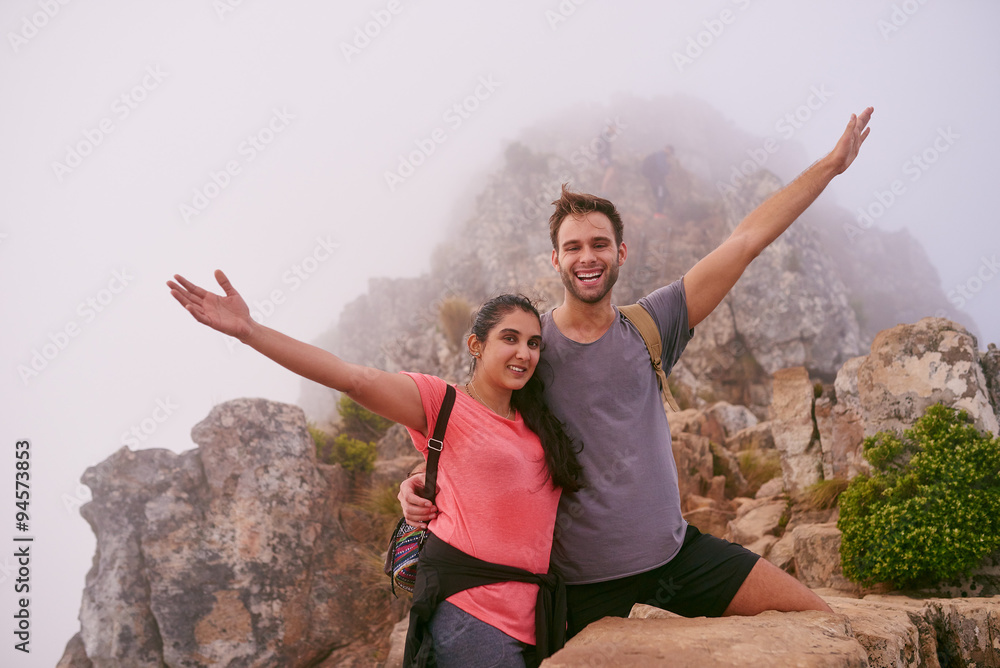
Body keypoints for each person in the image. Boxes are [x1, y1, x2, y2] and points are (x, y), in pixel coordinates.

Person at [400, 107, 874, 638]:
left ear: (620, 252)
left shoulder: (653, 323)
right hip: (577, 585)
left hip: (675, 558)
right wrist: (425, 482)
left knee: (816, 617)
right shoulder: (531, 348)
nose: (588, 257)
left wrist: (831, 165)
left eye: (599, 244)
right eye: (573, 247)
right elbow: (475, 421)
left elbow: (745, 242)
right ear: (554, 261)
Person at [167, 273, 584, 667]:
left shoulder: (537, 423)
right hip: (473, 615)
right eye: (509, 338)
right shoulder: (443, 402)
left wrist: (416, 482)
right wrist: (249, 330)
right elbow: (353, 379)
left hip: (539, 618)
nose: (524, 353)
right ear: (476, 345)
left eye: (533, 343)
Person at [641, 145, 674, 217]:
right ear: (667, 149)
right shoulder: (661, 155)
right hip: (657, 179)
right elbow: (661, 166)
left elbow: (661, 166)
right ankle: (658, 213)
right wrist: (667, 173)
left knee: (662, 193)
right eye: (670, 152)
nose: (670, 154)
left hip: (655, 178)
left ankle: (659, 212)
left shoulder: (659, 155)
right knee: (661, 194)